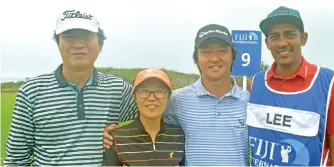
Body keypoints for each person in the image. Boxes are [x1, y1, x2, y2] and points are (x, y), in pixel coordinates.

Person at [4, 9, 138, 166]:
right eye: (69, 37)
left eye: (87, 36)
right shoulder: (31, 91)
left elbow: (155, 120)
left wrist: (122, 131)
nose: (78, 44)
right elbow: (16, 159)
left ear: (100, 45)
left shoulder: (119, 88)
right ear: (58, 44)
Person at [103, 24, 250, 166]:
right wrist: (111, 129)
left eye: (222, 50)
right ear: (196, 58)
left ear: (233, 56)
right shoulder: (178, 100)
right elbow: (149, 114)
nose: (214, 58)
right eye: (206, 51)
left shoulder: (250, 102)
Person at [247, 6, 334, 166]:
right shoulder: (256, 83)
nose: (282, 43)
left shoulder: (329, 81)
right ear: (267, 43)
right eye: (275, 36)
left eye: (290, 34)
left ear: (303, 38)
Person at [103, 68, 185, 166]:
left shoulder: (180, 137)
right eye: (144, 91)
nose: (151, 98)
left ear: (168, 98)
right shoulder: (116, 139)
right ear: (135, 97)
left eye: (159, 91)